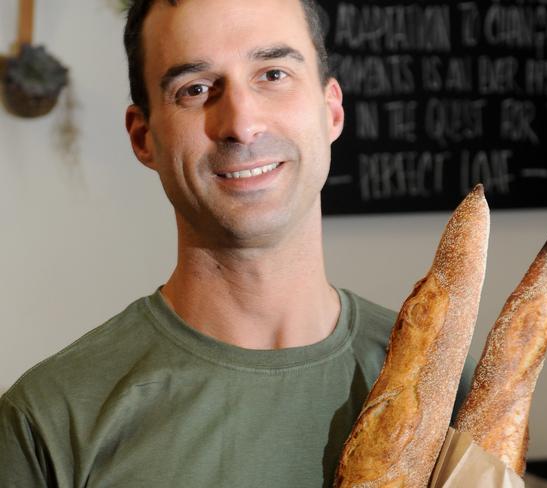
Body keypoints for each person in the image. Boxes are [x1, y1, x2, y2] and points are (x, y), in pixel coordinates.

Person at [0, 0, 475, 486]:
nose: (241, 124)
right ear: (144, 138)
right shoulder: (47, 419)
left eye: (272, 74)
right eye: (196, 88)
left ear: (331, 110)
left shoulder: (442, 382)